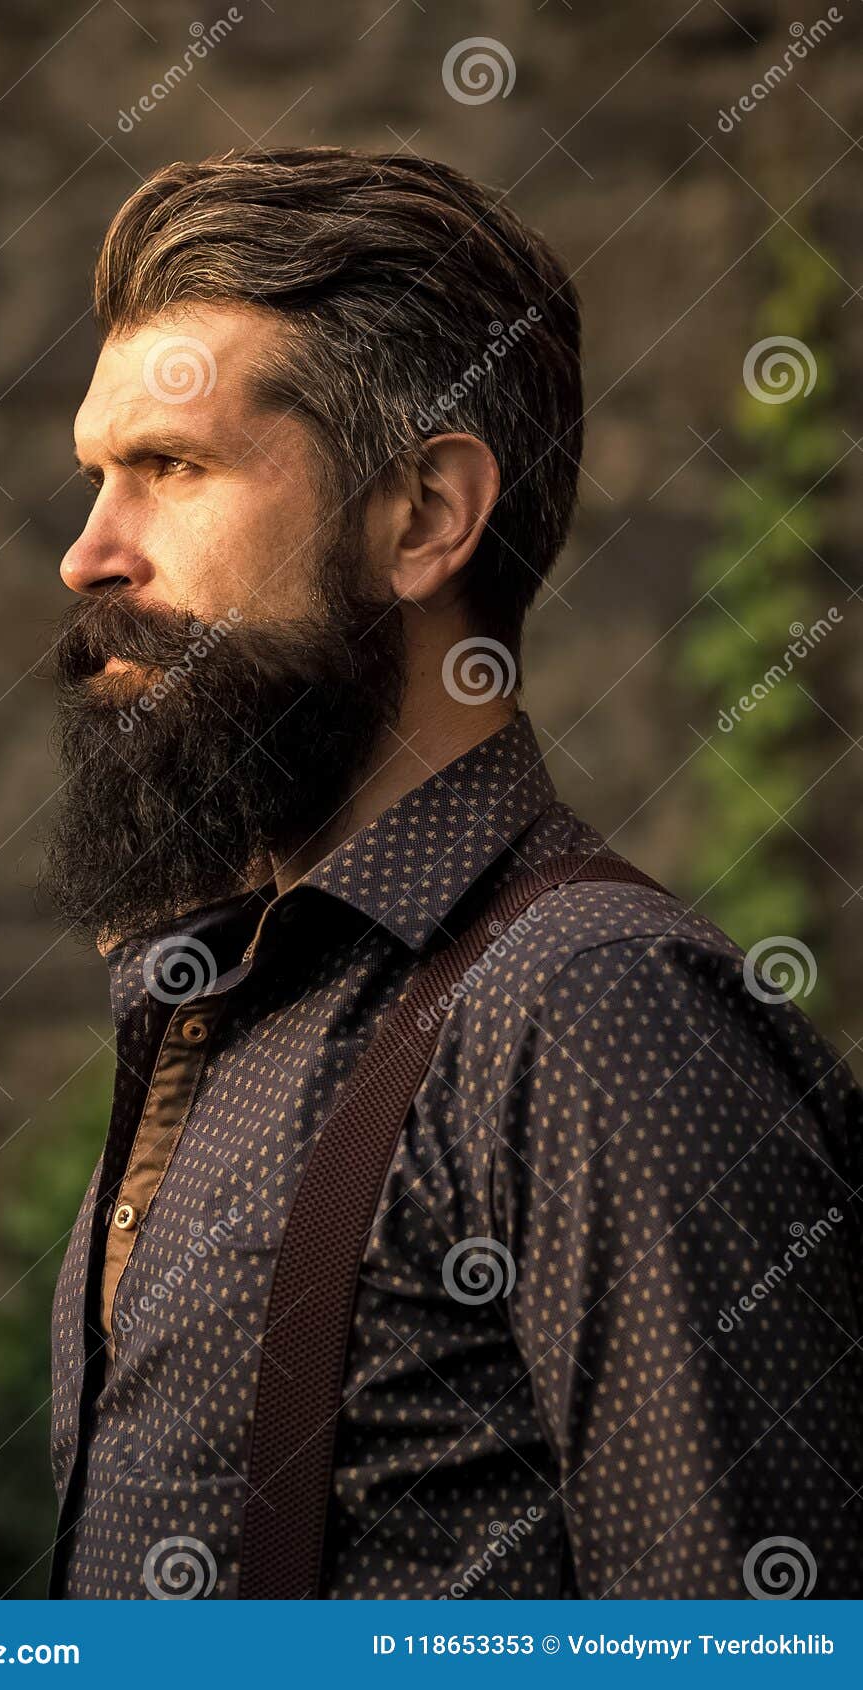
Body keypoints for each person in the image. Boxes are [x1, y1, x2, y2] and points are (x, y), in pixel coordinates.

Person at [42, 147, 862, 1600]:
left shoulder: (599, 1017)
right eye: (99, 477)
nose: (88, 554)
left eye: (171, 467)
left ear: (423, 516)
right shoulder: (224, 1004)